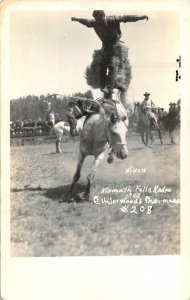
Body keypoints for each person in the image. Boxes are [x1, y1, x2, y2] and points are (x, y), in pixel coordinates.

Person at [71, 10, 148, 95]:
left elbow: (127, 18)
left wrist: (140, 17)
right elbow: (85, 21)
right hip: (105, 45)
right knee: (102, 65)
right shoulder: (94, 22)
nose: (99, 22)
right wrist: (76, 19)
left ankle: (109, 87)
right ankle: (103, 86)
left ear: (104, 16)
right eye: (97, 20)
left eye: (101, 19)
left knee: (112, 64)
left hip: (115, 44)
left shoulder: (113, 19)